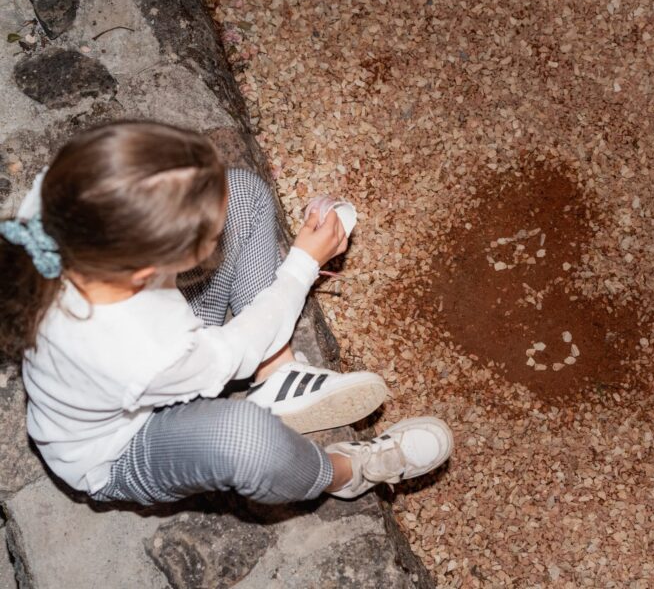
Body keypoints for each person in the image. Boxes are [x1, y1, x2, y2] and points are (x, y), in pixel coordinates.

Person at [0, 120, 452, 505]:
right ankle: (346, 471)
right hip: (118, 450)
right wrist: (302, 265)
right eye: (211, 239)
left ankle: (276, 375)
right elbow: (232, 349)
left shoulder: (61, 193)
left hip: (140, 342)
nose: (219, 237)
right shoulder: (142, 348)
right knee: (245, 440)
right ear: (148, 268)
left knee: (246, 193)